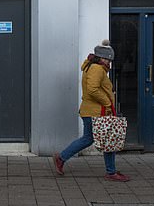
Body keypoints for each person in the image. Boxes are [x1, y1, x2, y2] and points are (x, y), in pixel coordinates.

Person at [52, 39, 130, 182]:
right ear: (100, 58)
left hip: (92, 110)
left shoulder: (92, 67)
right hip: (96, 112)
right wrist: (107, 103)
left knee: (91, 139)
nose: (109, 63)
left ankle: (62, 158)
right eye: (107, 59)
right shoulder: (97, 69)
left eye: (110, 60)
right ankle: (110, 172)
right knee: (107, 139)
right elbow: (93, 89)